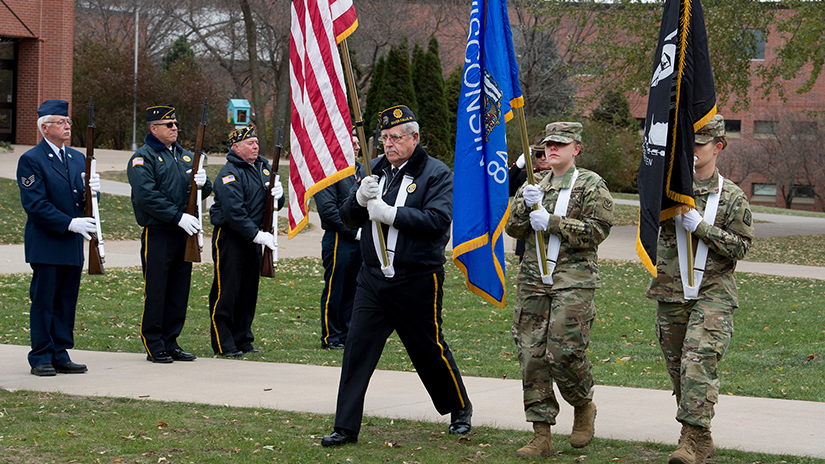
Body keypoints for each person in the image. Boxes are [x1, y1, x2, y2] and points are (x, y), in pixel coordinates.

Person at [321, 105, 472, 447]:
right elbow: (347, 218)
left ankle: (459, 408)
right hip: (372, 279)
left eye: (396, 137)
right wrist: (359, 198)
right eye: (385, 138)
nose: (389, 144)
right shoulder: (374, 169)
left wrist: (391, 214)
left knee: (429, 349)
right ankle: (345, 426)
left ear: (415, 138)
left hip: (416, 278)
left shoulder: (436, 173)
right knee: (356, 350)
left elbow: (437, 221)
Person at [645, 114, 753, 464]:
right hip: (671, 292)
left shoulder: (732, 197)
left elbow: (740, 247)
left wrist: (702, 227)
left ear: (718, 146)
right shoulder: (667, 192)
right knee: (679, 371)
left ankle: (689, 441)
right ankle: (702, 437)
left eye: (701, 143)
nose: (692, 149)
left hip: (713, 292)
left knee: (697, 364)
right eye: (688, 143)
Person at [505, 122, 614, 457]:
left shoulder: (591, 185)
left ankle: (583, 404)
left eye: (560, 145)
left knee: (564, 351)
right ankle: (541, 432)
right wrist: (525, 205)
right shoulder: (533, 184)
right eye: (548, 145)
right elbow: (512, 227)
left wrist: (551, 221)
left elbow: (598, 230)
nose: (551, 150)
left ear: (576, 149)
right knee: (531, 353)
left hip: (573, 278)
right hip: (534, 278)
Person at [17, 99, 100, 376]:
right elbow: (36, 204)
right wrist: (69, 223)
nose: (67, 126)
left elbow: (81, 199)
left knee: (65, 300)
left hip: (72, 244)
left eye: (68, 122)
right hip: (47, 243)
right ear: (44, 127)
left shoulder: (77, 158)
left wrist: (93, 193)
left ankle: (60, 352)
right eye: (61, 122)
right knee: (44, 300)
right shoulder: (31, 160)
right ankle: (41, 355)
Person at [127, 105, 211, 364]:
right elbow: (146, 196)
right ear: (154, 128)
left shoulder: (185, 156)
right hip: (160, 232)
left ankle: (171, 340)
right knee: (157, 288)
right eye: (169, 125)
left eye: (175, 124)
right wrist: (177, 217)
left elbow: (202, 192)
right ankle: (154, 343)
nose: (175, 128)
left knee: (178, 289)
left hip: (183, 233)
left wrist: (204, 182)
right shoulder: (144, 158)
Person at [207, 125, 284, 357]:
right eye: (250, 143)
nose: (255, 146)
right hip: (231, 238)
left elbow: (271, 205)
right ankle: (224, 343)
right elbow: (234, 213)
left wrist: (279, 197)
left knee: (248, 292)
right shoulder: (229, 173)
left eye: (257, 142)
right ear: (236, 147)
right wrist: (257, 235)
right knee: (227, 291)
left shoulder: (262, 167)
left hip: (253, 239)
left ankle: (243, 340)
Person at [314, 131, 363, 350]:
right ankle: (331, 336)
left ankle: (346, 333)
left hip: (361, 240)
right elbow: (328, 212)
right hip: (339, 239)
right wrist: (354, 232)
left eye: (356, 143)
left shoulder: (362, 170)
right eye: (350, 143)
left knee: (354, 288)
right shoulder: (328, 171)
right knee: (336, 288)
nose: (355, 147)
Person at [509, 146, 551, 262]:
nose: (542, 158)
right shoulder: (526, 176)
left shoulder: (564, 175)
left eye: (545, 154)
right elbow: (503, 188)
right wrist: (517, 166)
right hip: (529, 239)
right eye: (538, 155)